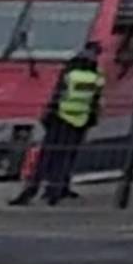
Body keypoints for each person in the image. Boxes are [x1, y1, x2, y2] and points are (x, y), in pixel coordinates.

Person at [20, 43, 109, 207]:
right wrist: (91, 119)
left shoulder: (70, 73)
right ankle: (57, 190)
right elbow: (95, 101)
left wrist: (47, 116)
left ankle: (32, 190)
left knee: (47, 156)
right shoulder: (97, 76)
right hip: (80, 121)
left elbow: (58, 95)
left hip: (60, 118)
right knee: (67, 157)